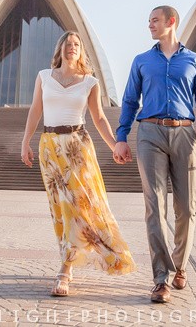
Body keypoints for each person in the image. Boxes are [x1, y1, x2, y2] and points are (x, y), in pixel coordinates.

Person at [114, 5, 196, 304]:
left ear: (171, 22)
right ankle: (160, 279)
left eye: (155, 20)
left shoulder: (195, 61)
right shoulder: (142, 61)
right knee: (154, 206)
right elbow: (130, 100)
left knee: (187, 207)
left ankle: (181, 265)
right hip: (150, 133)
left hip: (185, 134)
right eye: (148, 21)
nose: (150, 25)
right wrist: (121, 137)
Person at [21, 30, 136, 297]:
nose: (72, 47)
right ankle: (69, 259)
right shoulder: (44, 77)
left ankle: (66, 269)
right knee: (60, 208)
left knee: (81, 205)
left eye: (76, 45)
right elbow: (35, 110)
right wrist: (25, 141)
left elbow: (99, 119)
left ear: (82, 52)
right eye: (68, 43)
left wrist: (115, 145)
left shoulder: (89, 82)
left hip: (77, 146)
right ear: (60, 49)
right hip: (49, 146)